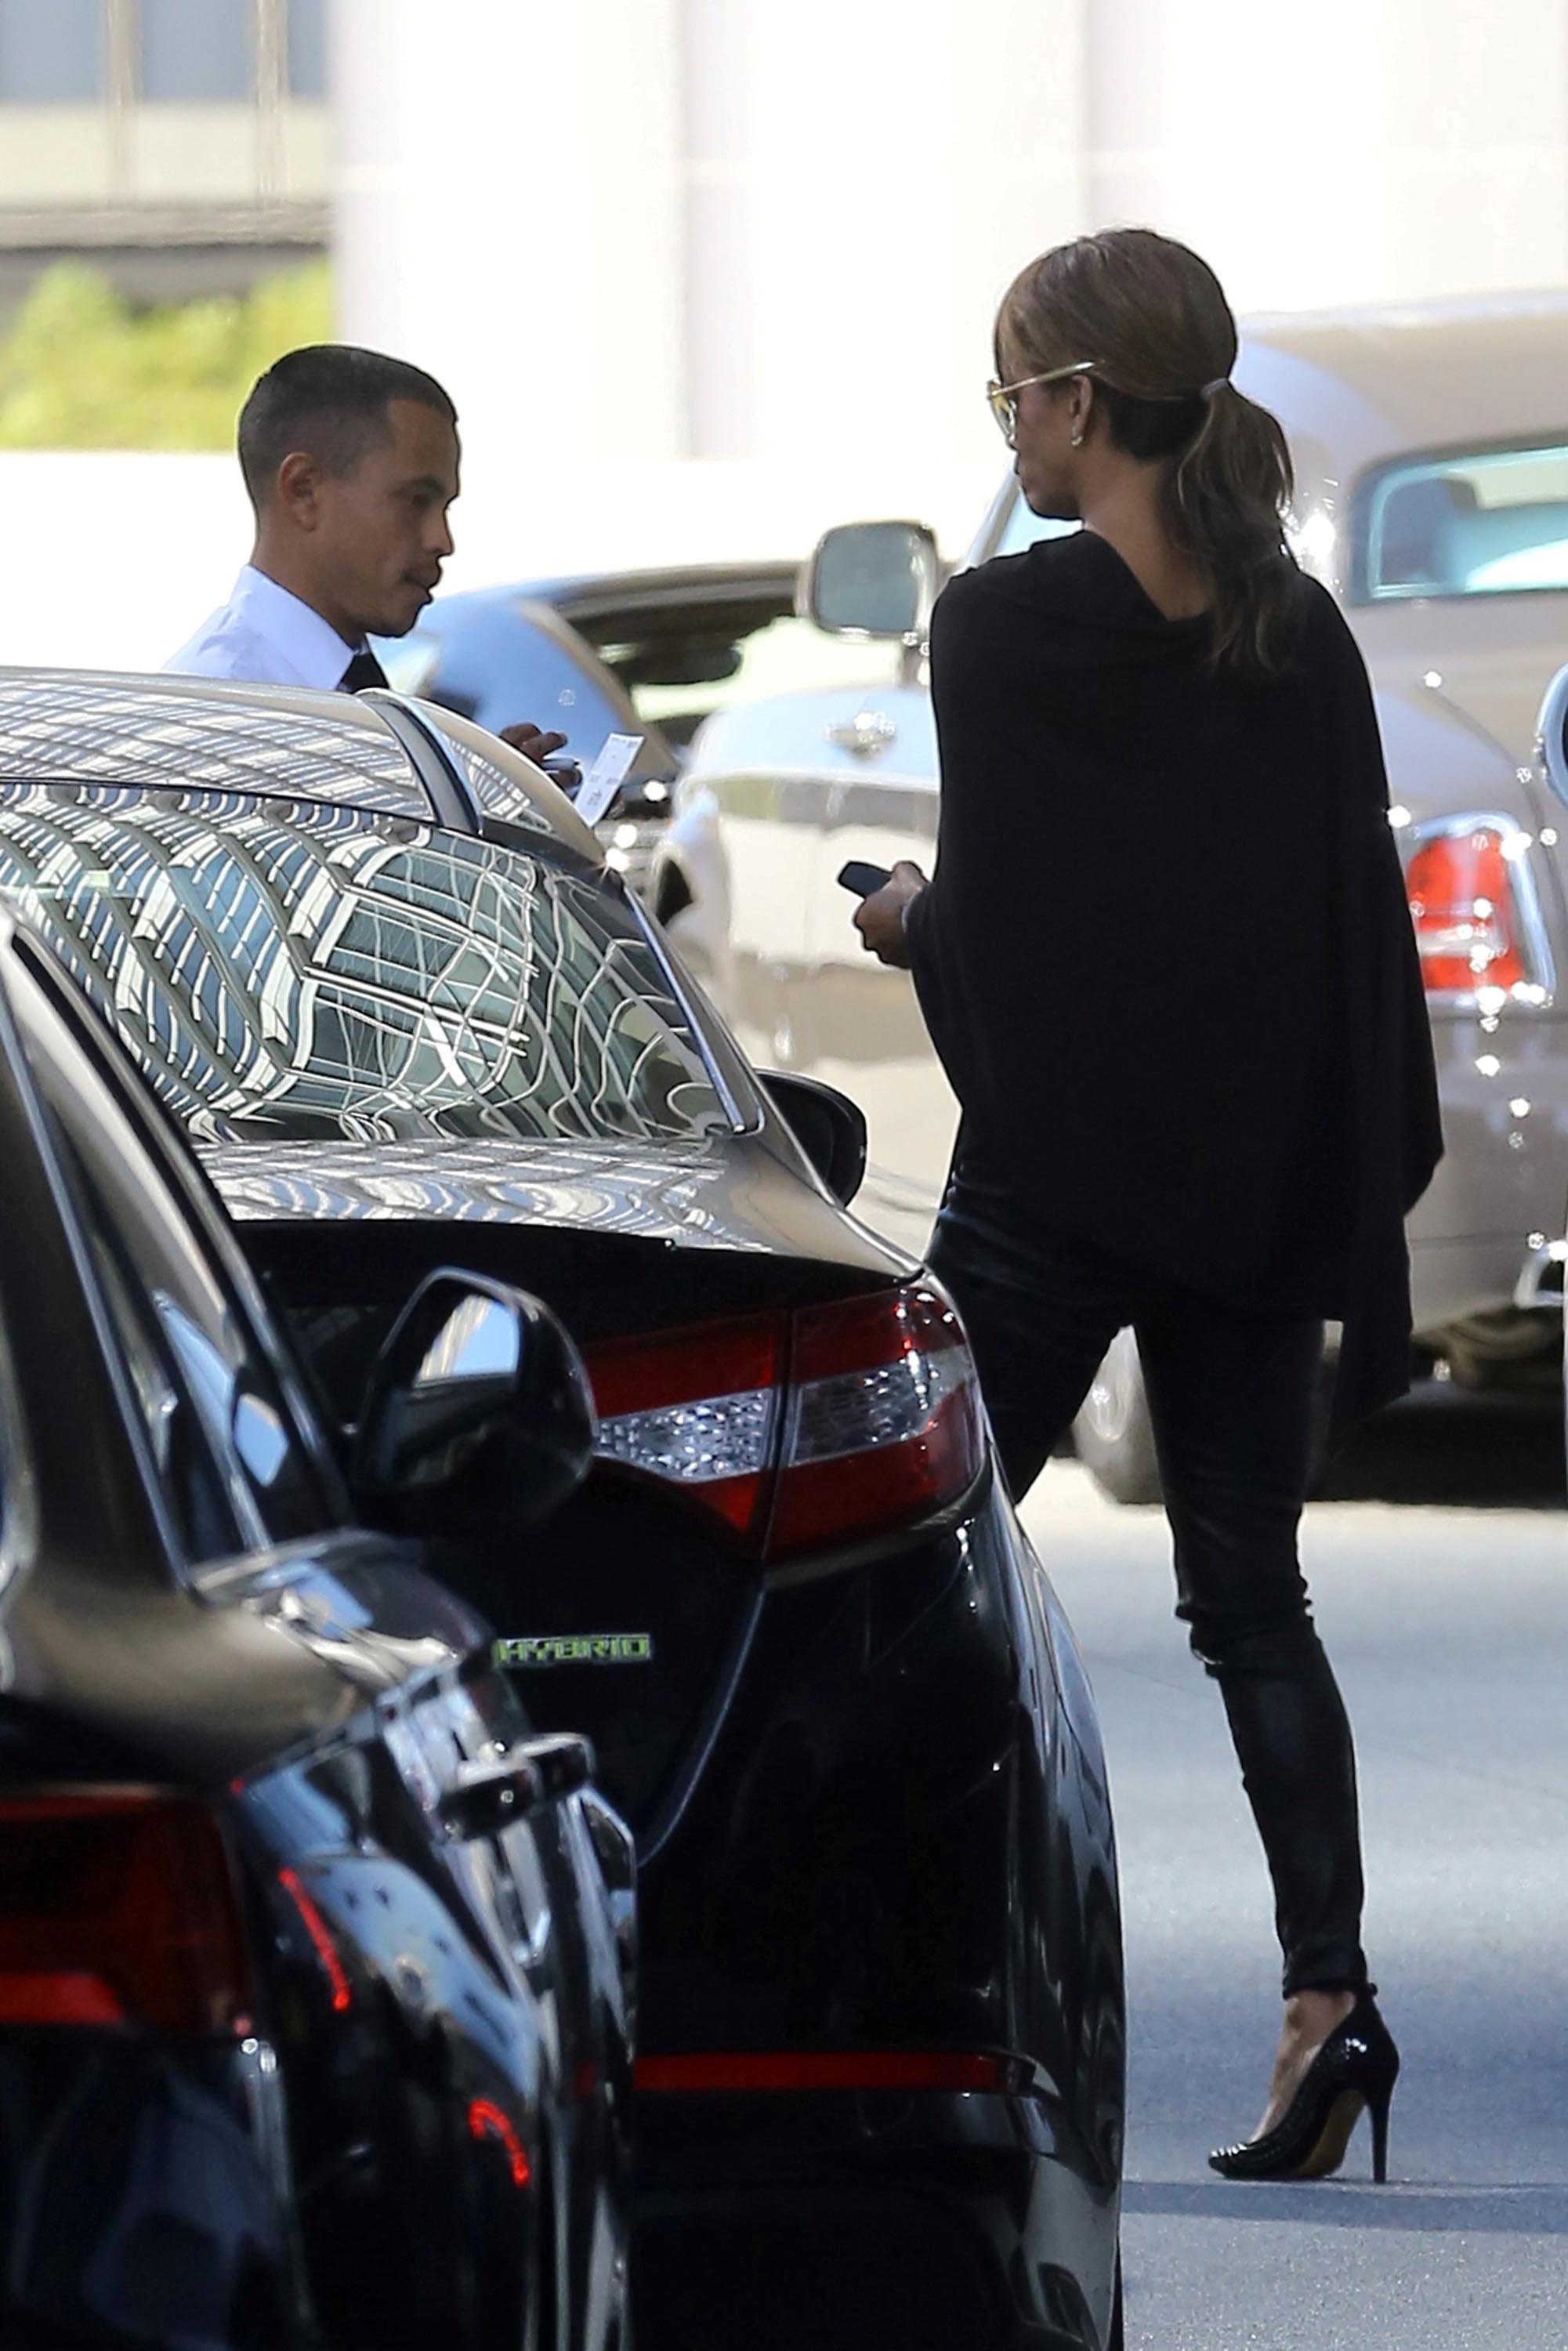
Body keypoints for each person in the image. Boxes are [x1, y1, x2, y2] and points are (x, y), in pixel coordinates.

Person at [853, 227, 1441, 2184]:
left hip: (1048, 1197)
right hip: (1258, 1197)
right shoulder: (1297, 629)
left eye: (1010, 394)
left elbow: (1019, 947)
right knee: (1249, 1599)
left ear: (1079, 403)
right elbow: (1325, 940)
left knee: (913, 1574)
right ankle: (1321, 2000)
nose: (1007, 429)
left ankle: (901, 1984)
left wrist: (905, 923)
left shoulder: (1006, 626)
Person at [165, 343, 575, 777]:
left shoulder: (349, 688)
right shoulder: (214, 716)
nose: (442, 540)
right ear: (304, 490)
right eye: (415, 501)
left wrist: (479, 797)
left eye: (445, 509)